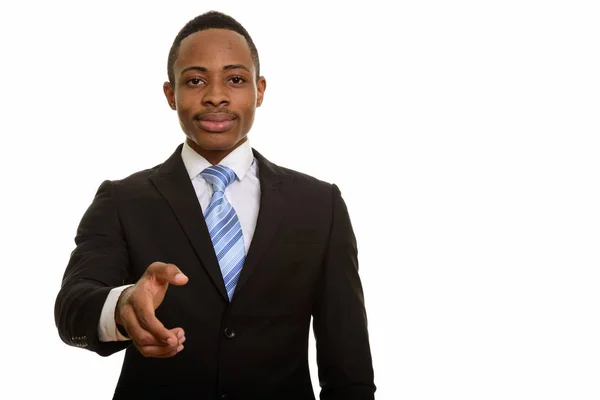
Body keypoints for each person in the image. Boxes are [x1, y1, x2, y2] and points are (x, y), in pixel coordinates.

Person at [54, 10, 375, 400]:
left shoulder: (320, 205)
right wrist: (123, 307)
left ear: (260, 89)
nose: (216, 95)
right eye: (195, 80)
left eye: (235, 79)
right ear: (171, 95)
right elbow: (72, 306)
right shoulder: (121, 200)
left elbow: (349, 363)